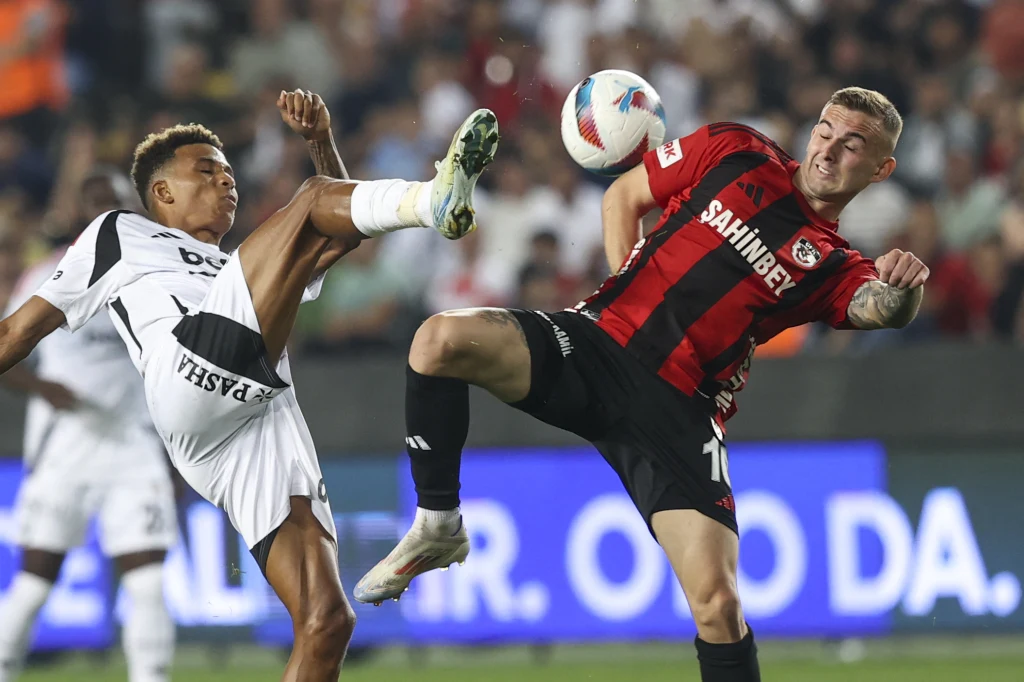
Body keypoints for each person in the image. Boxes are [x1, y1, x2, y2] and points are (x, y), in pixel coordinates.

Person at [354, 87, 930, 682]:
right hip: (598, 344)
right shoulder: (735, 149)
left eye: (853, 145)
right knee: (437, 342)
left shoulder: (834, 263)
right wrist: (624, 291)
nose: (829, 150)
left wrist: (905, 287)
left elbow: (880, 307)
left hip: (679, 410)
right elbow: (624, 198)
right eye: (826, 130)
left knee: (718, 606)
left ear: (882, 169)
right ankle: (439, 523)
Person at [0, 90, 499, 682]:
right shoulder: (118, 233)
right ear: (162, 193)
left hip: (250, 422)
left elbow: (339, 236)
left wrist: (320, 143)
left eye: (230, 173)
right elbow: (18, 330)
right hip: (186, 374)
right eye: (206, 172)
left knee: (327, 622)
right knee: (311, 199)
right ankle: (430, 198)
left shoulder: (243, 266)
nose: (227, 182)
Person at [0, 167, 177, 682]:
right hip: (67, 445)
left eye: (114, 204)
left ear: (132, 211)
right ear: (79, 215)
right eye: (94, 205)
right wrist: (43, 389)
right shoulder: (48, 275)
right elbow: (7, 344)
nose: (104, 214)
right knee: (34, 583)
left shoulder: (157, 276)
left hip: (134, 443)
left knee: (146, 582)